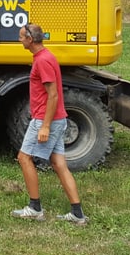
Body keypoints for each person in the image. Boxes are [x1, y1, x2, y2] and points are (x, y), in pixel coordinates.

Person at [10, 23, 88, 226]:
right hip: (56, 120)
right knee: (59, 164)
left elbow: (52, 95)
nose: (19, 40)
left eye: (20, 37)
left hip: (47, 120)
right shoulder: (46, 56)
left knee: (24, 157)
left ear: (30, 39)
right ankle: (77, 213)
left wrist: (44, 126)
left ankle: (35, 208)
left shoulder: (43, 61)